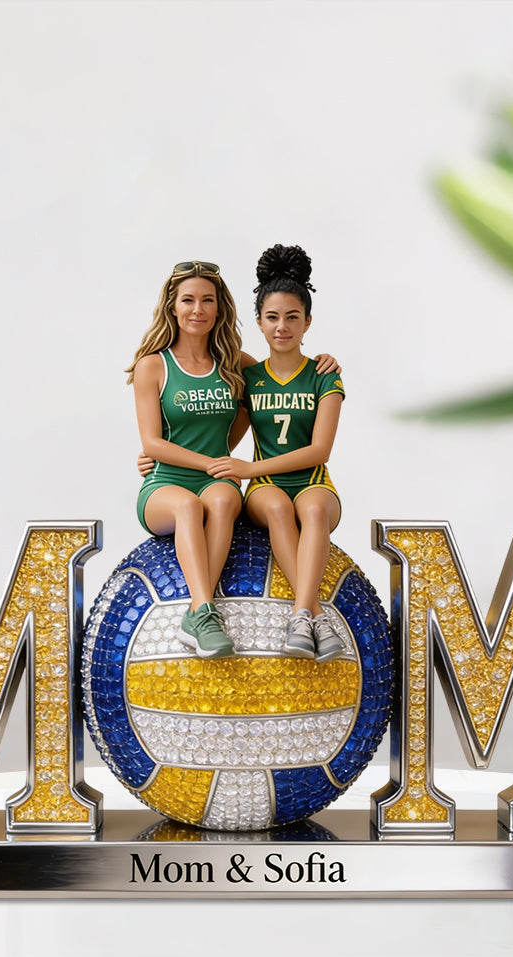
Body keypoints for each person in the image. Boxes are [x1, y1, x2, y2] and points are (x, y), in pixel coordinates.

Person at [128, 260, 341, 659]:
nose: (198, 309)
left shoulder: (235, 363)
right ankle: (202, 611)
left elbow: (282, 374)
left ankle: (290, 614)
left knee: (227, 498)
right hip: (167, 482)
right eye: (188, 300)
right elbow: (153, 443)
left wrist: (324, 363)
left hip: (216, 479)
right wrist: (201, 461)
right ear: (172, 306)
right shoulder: (153, 365)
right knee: (189, 507)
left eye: (207, 300)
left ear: (219, 307)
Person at [206, 245, 346, 662]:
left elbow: (319, 450)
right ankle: (315, 616)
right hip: (265, 488)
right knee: (280, 508)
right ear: (259, 323)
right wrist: (159, 458)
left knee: (314, 510)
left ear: (307, 322)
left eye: (292, 317)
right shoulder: (249, 377)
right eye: (272, 317)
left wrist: (251, 466)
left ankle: (301, 614)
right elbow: (220, 435)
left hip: (313, 481)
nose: (282, 327)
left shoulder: (324, 376)